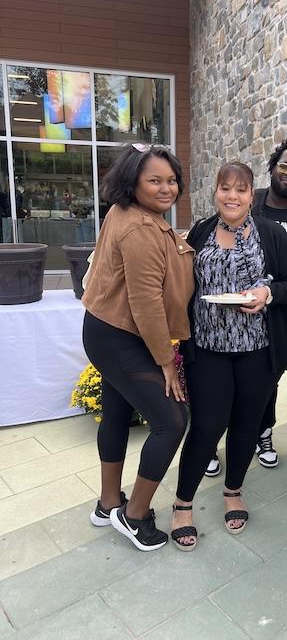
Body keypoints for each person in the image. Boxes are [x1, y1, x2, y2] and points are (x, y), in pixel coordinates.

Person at [171, 162, 287, 550]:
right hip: (208, 349)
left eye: (241, 189)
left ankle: (233, 490)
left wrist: (267, 293)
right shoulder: (199, 231)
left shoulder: (270, 234)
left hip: (257, 350)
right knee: (206, 427)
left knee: (247, 425)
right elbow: (183, 284)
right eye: (225, 188)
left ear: (252, 195)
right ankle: (183, 503)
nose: (232, 196)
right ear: (215, 192)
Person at [82, 142, 195, 552]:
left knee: (115, 411)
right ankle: (134, 517)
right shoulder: (142, 228)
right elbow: (145, 302)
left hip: (104, 330)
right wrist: (165, 361)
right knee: (171, 421)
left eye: (172, 181)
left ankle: (108, 502)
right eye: (155, 181)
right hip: (121, 336)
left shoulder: (126, 213)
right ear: (134, 182)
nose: (167, 189)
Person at [205, 137, 287, 476]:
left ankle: (263, 432)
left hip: (282, 310)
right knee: (223, 382)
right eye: (284, 166)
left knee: (268, 377)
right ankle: (211, 440)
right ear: (274, 167)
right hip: (231, 309)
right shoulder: (250, 200)